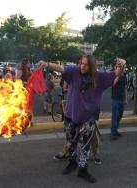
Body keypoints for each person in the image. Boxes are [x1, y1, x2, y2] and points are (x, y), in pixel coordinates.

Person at [38, 55, 125, 183]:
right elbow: (61, 68)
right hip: (70, 115)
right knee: (71, 143)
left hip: (88, 118)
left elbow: (116, 73)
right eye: (81, 63)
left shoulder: (100, 77)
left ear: (92, 66)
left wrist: (122, 64)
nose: (82, 66)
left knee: (84, 146)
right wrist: (48, 64)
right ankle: (72, 163)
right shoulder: (74, 71)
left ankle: (82, 170)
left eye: (86, 64)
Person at [110, 59, 127, 138]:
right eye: (123, 67)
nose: (124, 68)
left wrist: (125, 99)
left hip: (121, 99)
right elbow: (113, 84)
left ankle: (115, 130)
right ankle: (113, 133)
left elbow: (125, 89)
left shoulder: (125, 77)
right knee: (115, 116)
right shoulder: (116, 76)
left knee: (120, 115)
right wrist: (119, 74)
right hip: (115, 99)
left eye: (124, 67)